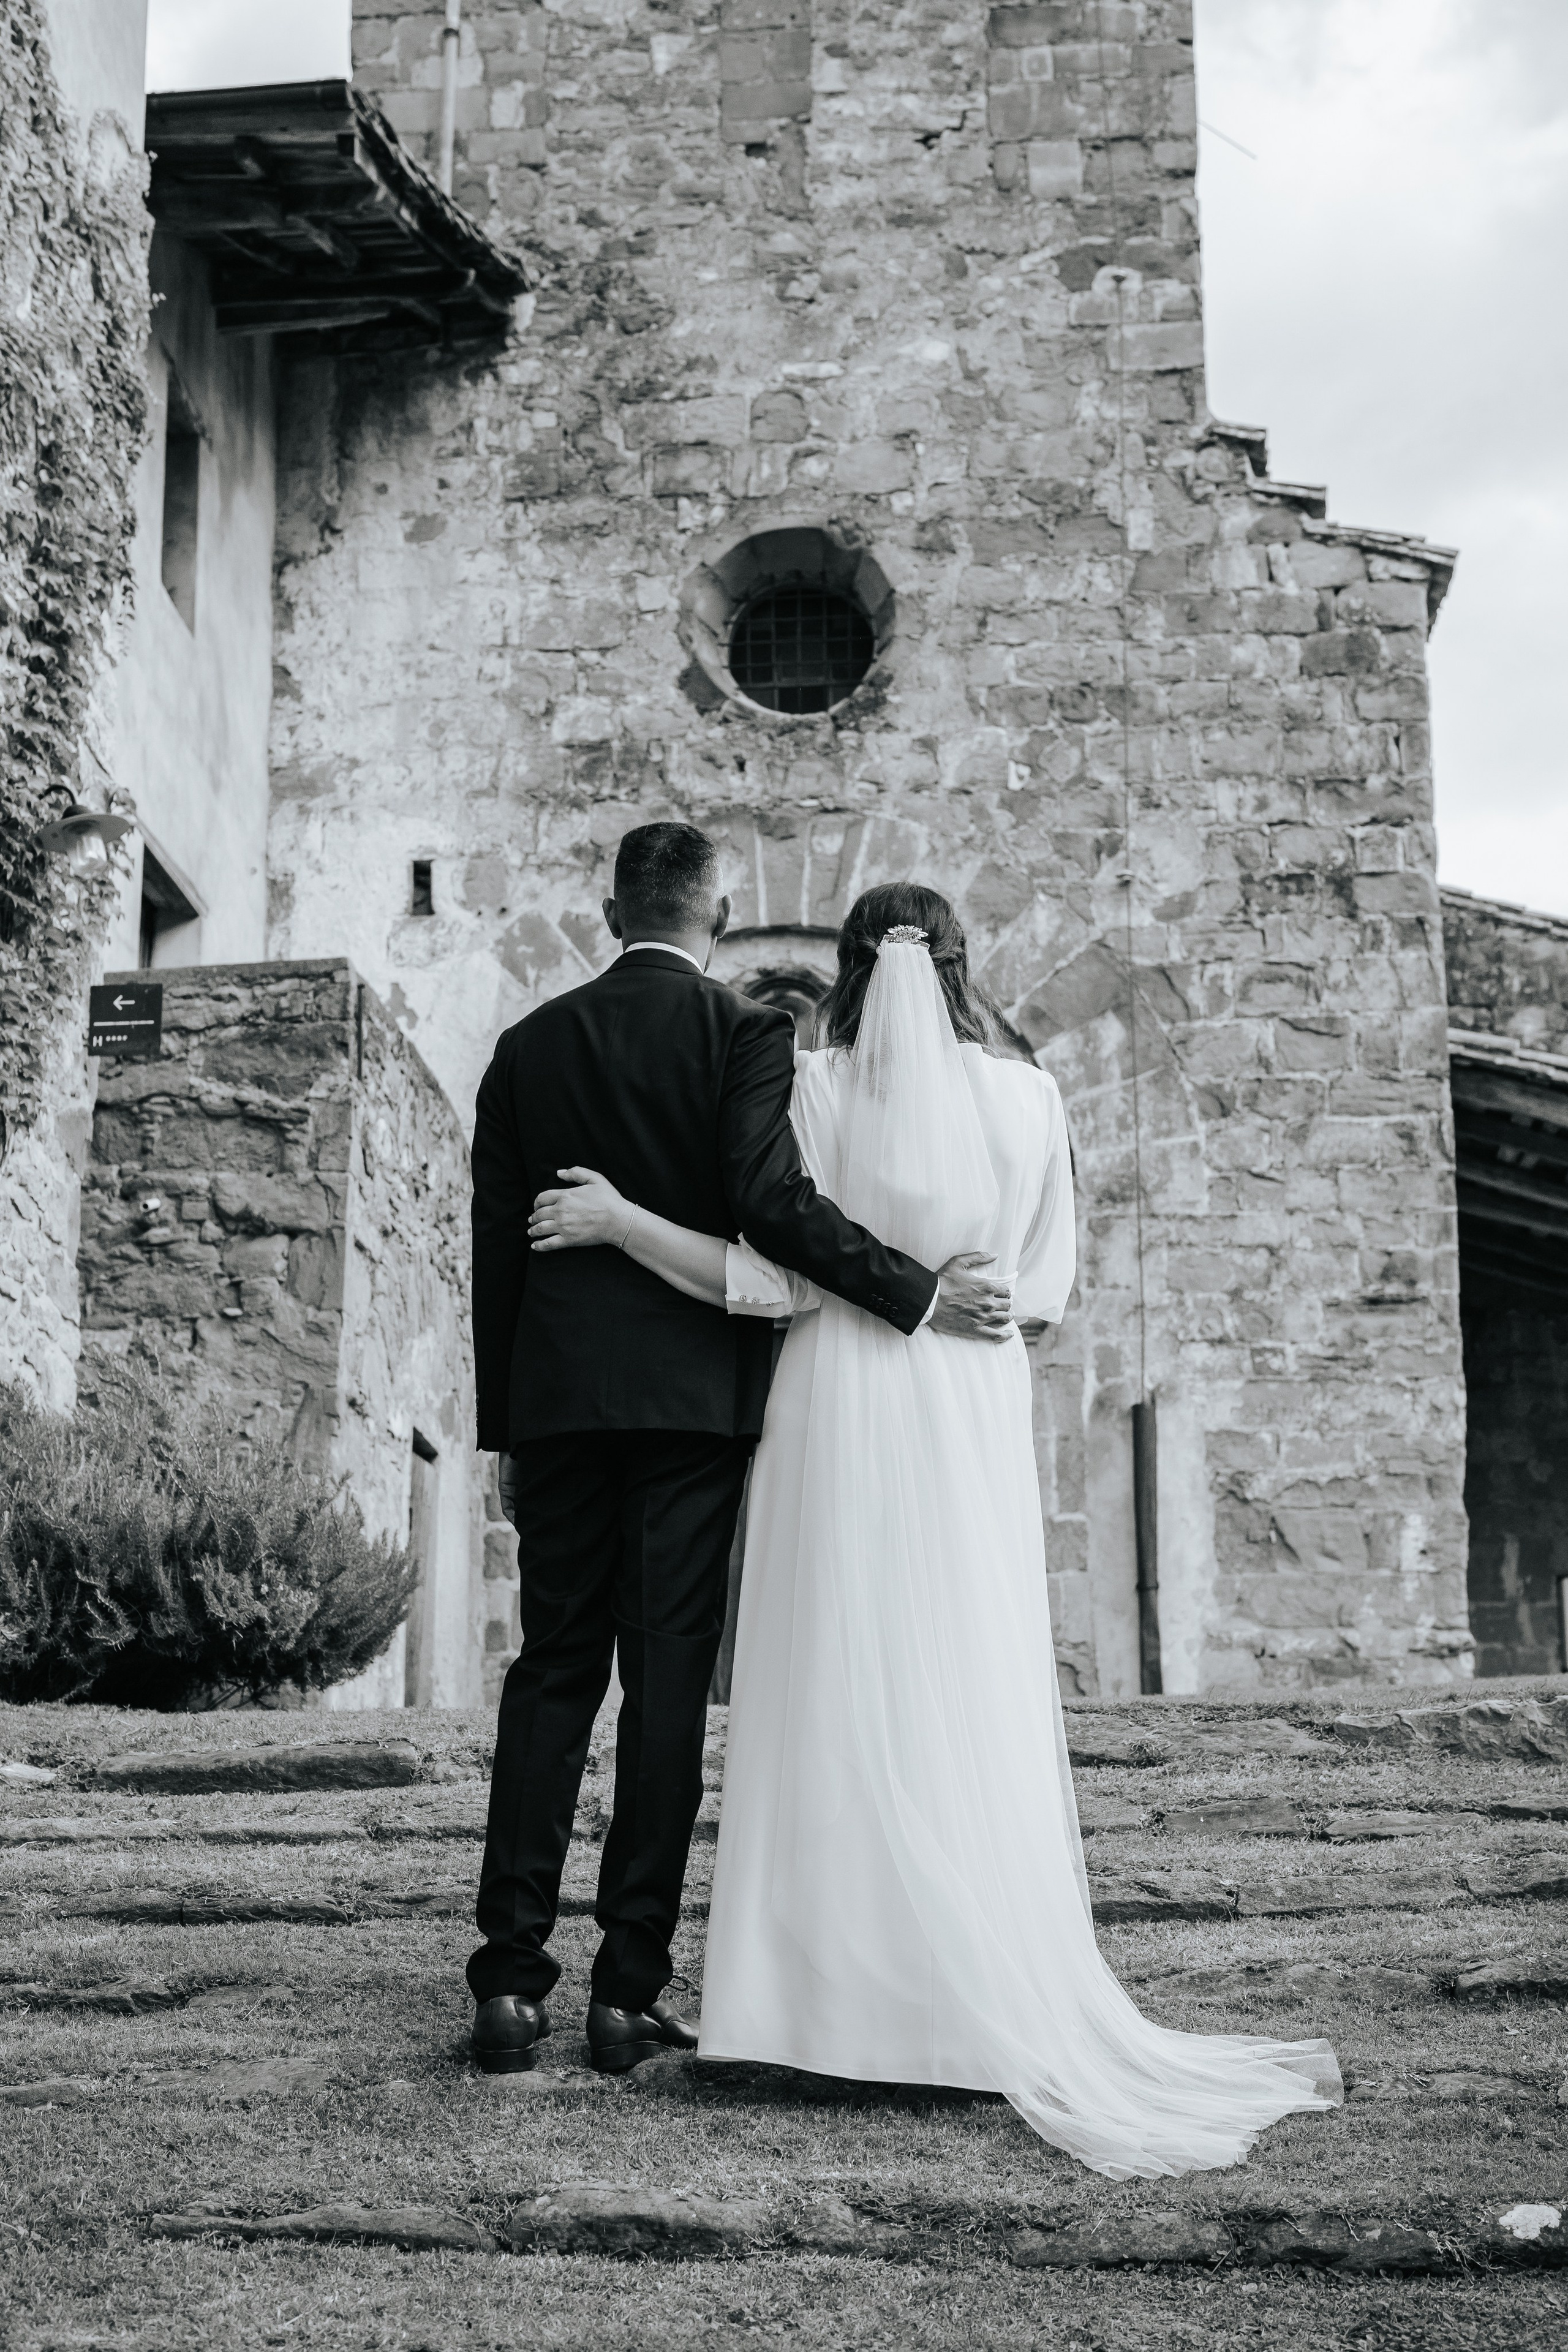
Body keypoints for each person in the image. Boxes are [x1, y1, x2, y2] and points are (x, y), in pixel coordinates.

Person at [528, 880, 1343, 2178]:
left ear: (845, 967)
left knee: (829, 1675)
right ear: (962, 965)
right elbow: (1045, 1285)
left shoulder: (810, 1087)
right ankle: (974, 1993)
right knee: (965, 1676)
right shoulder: (1027, 1100)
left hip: (838, 1394)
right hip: (967, 1399)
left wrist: (633, 1228)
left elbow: (772, 1270)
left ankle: (816, 2005)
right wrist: (966, 1296)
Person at [466, 826, 1011, 2079]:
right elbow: (774, 1207)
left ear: (612, 912)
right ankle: (623, 1992)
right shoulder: (741, 1036)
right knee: (665, 1688)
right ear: (714, 912)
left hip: (555, 1406)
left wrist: (505, 1423)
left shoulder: (525, 1046)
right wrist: (913, 1291)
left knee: (550, 1675)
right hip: (691, 1409)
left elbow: (495, 1250)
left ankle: (506, 1985)